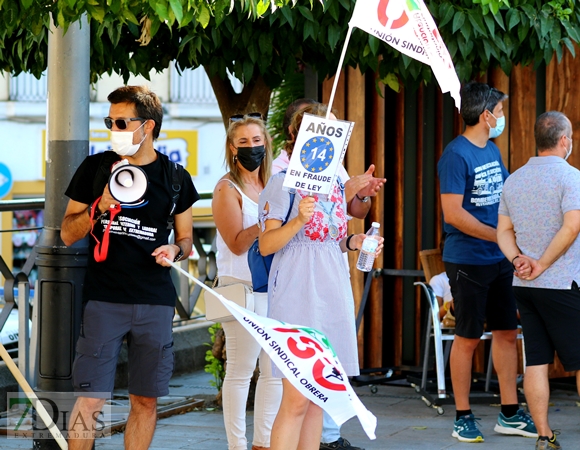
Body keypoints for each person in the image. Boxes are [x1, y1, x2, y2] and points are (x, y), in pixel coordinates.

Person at [61, 86, 199, 450]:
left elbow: (187, 240)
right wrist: (99, 206)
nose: (113, 129)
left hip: (154, 301)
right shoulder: (95, 168)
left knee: (146, 400)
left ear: (148, 126)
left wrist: (175, 249)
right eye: (110, 122)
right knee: (90, 400)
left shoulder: (175, 178)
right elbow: (66, 233)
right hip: (104, 300)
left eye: (122, 122)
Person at [259, 103, 384, 450]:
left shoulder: (335, 183)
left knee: (317, 397)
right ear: (300, 136)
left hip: (331, 289)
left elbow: (328, 240)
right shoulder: (282, 183)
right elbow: (266, 245)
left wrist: (353, 241)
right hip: (297, 296)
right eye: (324, 128)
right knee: (297, 398)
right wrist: (297, 220)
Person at [437, 81, 537, 443]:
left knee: (507, 333)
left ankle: (509, 413)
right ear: (486, 115)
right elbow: (453, 214)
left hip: (500, 259)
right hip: (468, 260)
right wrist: (498, 235)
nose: (503, 117)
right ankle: (462, 416)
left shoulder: (491, 151)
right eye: (501, 111)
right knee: (467, 337)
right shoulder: (456, 155)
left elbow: (505, 197)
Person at [497, 111, 580, 450]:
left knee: (536, 360)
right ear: (564, 140)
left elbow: (503, 231)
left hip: (526, 285)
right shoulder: (571, 177)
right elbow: (572, 226)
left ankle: (544, 436)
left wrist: (519, 260)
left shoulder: (513, 179)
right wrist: (543, 264)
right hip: (562, 283)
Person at [212, 114, 282, 450]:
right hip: (238, 287)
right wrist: (267, 222)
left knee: (274, 372)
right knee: (241, 371)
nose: (252, 147)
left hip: (273, 288)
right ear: (232, 147)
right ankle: (237, 445)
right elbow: (237, 243)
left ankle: (263, 443)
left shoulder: (272, 183)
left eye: (257, 141)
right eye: (244, 142)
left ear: (266, 143)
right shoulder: (227, 188)